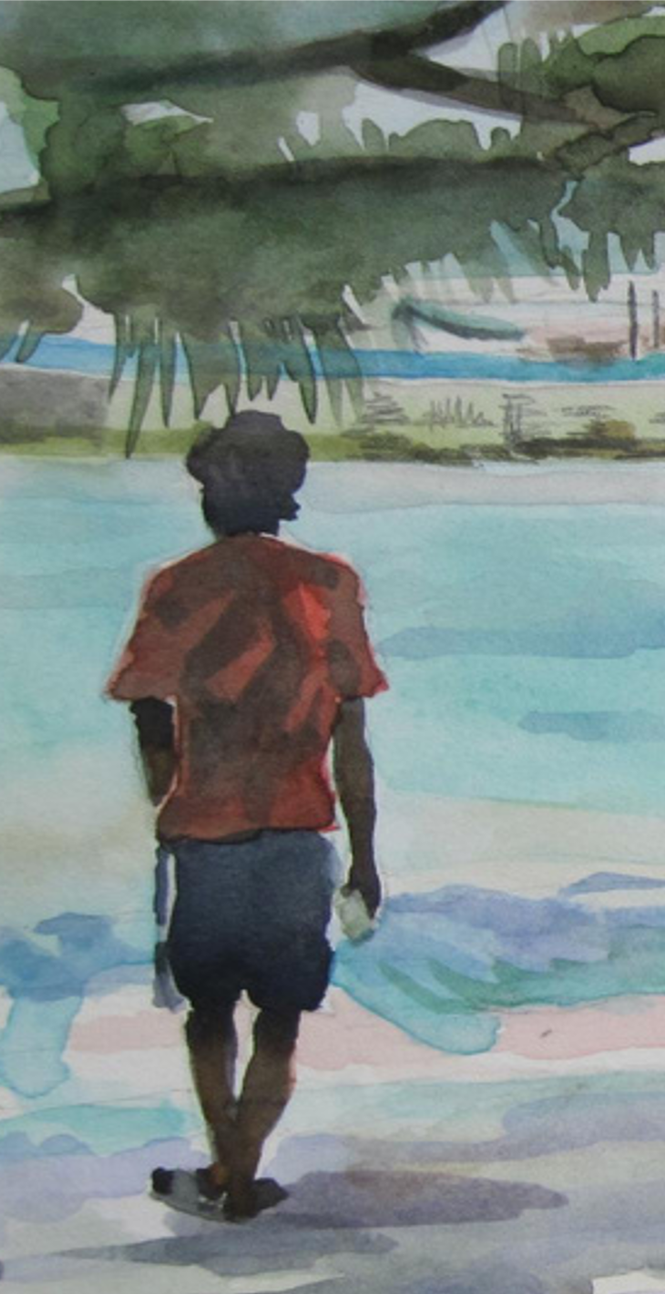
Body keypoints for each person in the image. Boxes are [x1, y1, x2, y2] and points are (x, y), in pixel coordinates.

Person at [106, 411, 389, 1222]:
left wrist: (169, 791)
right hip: (300, 834)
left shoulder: (176, 585)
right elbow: (351, 738)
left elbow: (146, 709)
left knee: (207, 1013)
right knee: (281, 1016)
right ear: (285, 494)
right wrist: (365, 856)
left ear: (213, 493)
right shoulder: (329, 584)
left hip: (202, 833)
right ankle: (240, 1171)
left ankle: (227, 1165)